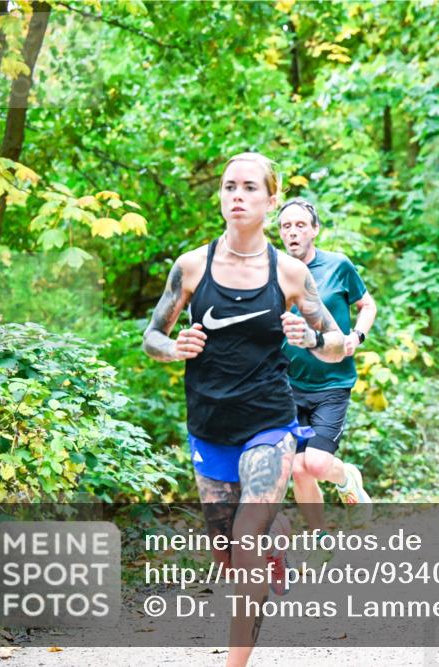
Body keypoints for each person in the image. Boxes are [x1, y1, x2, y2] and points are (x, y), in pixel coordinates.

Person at [142, 152, 344, 667]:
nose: (237, 195)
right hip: (209, 425)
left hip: (269, 423)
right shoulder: (192, 266)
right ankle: (277, 541)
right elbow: (151, 337)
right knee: (226, 553)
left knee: (245, 535)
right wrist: (175, 348)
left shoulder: (291, 273)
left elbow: (337, 344)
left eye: (250, 188)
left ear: (271, 200)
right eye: (230, 186)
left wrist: (310, 338)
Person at [277, 197, 375, 558]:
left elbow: (368, 305)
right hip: (288, 384)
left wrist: (357, 337)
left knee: (316, 463)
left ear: (315, 229)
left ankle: (347, 477)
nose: (293, 232)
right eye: (286, 226)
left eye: (300, 225)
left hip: (333, 382)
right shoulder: (274, 272)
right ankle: (320, 539)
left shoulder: (338, 266)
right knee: (298, 469)